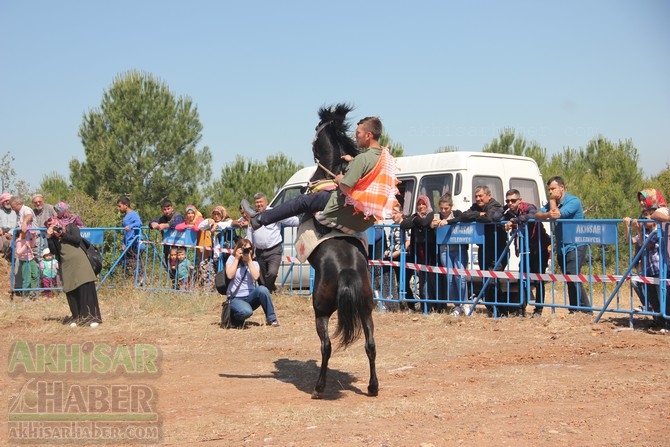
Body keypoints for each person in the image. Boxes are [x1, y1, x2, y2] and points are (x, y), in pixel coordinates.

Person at [241, 116, 396, 234]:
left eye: (358, 133)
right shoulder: (386, 157)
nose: (356, 136)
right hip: (368, 217)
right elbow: (371, 175)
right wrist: (353, 161)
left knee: (302, 201)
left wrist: (340, 179)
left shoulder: (363, 159)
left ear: (368, 135)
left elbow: (345, 187)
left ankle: (260, 219)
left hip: (344, 207)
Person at [535, 176, 591, 313]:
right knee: (570, 277)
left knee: (572, 275)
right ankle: (577, 309)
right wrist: (547, 212)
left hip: (576, 244)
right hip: (562, 247)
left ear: (562, 188)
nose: (550, 192)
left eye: (553, 189)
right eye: (549, 190)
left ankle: (584, 310)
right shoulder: (553, 203)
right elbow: (537, 215)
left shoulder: (573, 201)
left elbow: (556, 215)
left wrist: (552, 203)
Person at [457, 185, 508, 316]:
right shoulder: (476, 207)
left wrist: (476, 216)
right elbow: (463, 216)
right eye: (476, 197)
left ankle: (499, 310)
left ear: (489, 196)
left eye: (481, 196)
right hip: (484, 248)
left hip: (498, 248)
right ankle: (492, 309)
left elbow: (489, 218)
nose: (478, 199)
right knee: (486, 279)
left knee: (493, 280)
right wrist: (478, 214)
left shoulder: (495, 206)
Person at [502, 189, 551, 317]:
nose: (510, 203)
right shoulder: (510, 211)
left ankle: (538, 310)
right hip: (525, 250)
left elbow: (532, 215)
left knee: (538, 279)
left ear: (520, 200)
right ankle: (520, 308)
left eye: (513, 200)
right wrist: (504, 213)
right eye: (507, 201)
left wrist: (515, 220)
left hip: (539, 247)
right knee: (522, 278)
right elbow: (496, 217)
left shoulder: (529, 207)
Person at [46, 219, 102, 328]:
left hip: (81, 263)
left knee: (86, 287)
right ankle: (78, 317)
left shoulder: (71, 227)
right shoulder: (53, 237)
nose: (53, 226)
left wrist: (62, 233)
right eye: (49, 225)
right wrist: (49, 237)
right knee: (71, 290)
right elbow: (54, 251)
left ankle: (92, 318)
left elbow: (76, 240)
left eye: (53, 222)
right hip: (67, 266)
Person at [244, 192, 299, 293]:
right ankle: (268, 293)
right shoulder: (253, 215)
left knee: (272, 273)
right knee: (261, 277)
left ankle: (268, 291)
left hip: (274, 250)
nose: (258, 204)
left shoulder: (274, 212)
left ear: (266, 202)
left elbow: (291, 220)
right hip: (259, 251)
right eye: (256, 202)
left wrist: (302, 221)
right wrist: (249, 248)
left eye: (261, 202)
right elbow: (250, 233)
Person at [225, 238, 280, 327]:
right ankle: (234, 318)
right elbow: (229, 275)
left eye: (250, 249)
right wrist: (236, 259)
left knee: (263, 289)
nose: (248, 251)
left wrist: (249, 261)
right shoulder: (232, 259)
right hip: (235, 298)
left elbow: (255, 277)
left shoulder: (254, 263)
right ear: (239, 249)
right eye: (245, 249)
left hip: (250, 297)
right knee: (246, 312)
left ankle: (272, 319)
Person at [431, 192, 470, 315]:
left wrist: (448, 222)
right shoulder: (437, 216)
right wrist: (432, 225)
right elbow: (429, 227)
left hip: (459, 249)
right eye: (441, 208)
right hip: (444, 250)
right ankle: (457, 305)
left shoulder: (456, 213)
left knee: (461, 276)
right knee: (450, 278)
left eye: (446, 208)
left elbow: (463, 218)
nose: (444, 211)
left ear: (451, 207)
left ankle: (465, 303)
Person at [400, 195, 437, 312]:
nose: (421, 207)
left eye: (423, 204)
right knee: (421, 278)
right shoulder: (415, 216)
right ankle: (424, 306)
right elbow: (404, 224)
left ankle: (434, 305)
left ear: (428, 205)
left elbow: (425, 222)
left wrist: (415, 220)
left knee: (431, 278)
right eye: (419, 204)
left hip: (430, 251)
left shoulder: (432, 214)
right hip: (418, 250)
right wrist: (416, 220)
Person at [149, 199, 185, 272]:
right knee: (170, 269)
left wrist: (166, 225)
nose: (167, 211)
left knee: (181, 269)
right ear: (162, 210)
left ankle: (182, 283)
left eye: (168, 209)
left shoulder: (177, 215)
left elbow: (178, 223)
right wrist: (152, 224)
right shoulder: (162, 218)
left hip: (179, 248)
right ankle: (173, 281)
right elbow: (153, 221)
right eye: (164, 209)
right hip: (168, 248)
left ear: (172, 208)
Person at [117, 196, 143, 279]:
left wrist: (131, 226)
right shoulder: (126, 215)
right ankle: (129, 281)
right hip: (128, 244)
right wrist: (124, 243)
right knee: (126, 263)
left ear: (126, 205)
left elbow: (139, 223)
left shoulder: (134, 214)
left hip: (134, 243)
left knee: (135, 263)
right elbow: (126, 232)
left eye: (120, 206)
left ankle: (140, 280)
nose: (119, 208)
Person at [14, 230, 38, 299]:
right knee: (27, 278)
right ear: (21, 233)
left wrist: (34, 237)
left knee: (35, 275)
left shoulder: (27, 238)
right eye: (26, 232)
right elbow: (18, 252)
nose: (27, 233)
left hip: (31, 259)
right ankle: (25, 296)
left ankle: (32, 292)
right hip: (24, 261)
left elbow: (32, 245)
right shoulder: (18, 241)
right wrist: (25, 245)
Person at [0, 192, 16, 260]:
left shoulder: (15, 211)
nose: (7, 202)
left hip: (13, 233)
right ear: (2, 202)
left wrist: (10, 233)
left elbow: (18, 224)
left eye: (9, 200)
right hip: (1, 233)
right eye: (5, 200)